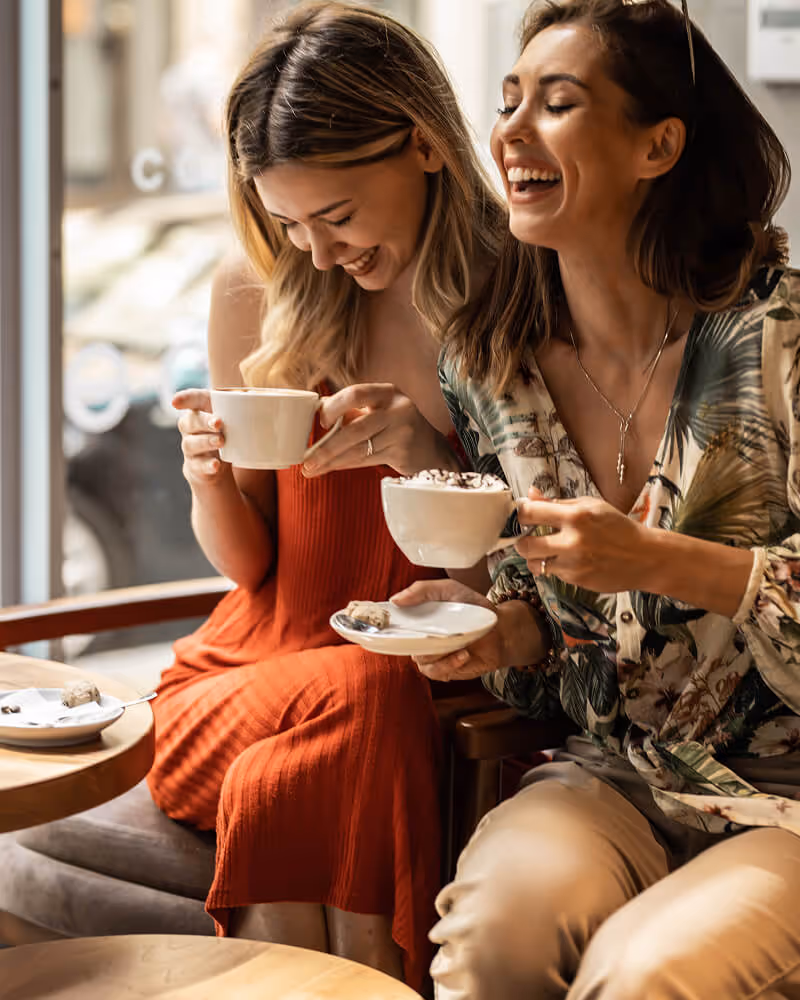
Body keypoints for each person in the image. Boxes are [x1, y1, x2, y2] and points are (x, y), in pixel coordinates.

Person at [391, 0, 800, 996]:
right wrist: (502, 634)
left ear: (656, 145)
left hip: (789, 796)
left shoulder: (777, 342)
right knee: (494, 937)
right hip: (623, 772)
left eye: (557, 103)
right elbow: (553, 648)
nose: (511, 132)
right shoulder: (488, 368)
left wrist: (660, 559)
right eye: (508, 101)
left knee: (638, 973)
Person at [144, 2, 503, 991]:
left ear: (423, 143)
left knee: (350, 721)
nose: (312, 252)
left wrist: (428, 454)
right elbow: (250, 566)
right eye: (287, 222)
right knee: (369, 688)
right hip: (244, 678)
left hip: (435, 677)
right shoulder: (253, 292)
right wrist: (204, 475)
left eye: (335, 217)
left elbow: (509, 578)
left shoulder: (513, 294)